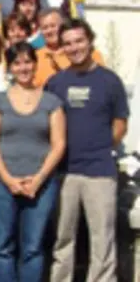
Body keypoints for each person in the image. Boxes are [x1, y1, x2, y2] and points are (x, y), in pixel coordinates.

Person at [47, 19, 129, 282]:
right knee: (62, 239)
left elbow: (120, 123)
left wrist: (100, 146)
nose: (74, 48)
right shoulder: (55, 83)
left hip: (99, 172)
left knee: (102, 239)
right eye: (68, 43)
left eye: (79, 41)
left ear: (90, 41)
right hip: (64, 172)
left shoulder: (110, 81)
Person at [0, 42, 66, 282]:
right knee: (2, 246)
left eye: (27, 62)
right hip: (0, 183)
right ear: (10, 68)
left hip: (41, 184)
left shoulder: (52, 102)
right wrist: (8, 180)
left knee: (33, 247)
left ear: (35, 64)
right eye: (17, 63)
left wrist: (38, 179)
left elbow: (59, 144)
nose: (23, 68)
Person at [33, 9, 104, 87]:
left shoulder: (89, 53)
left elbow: (101, 81)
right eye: (45, 28)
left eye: (53, 26)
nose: (49, 31)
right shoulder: (35, 57)